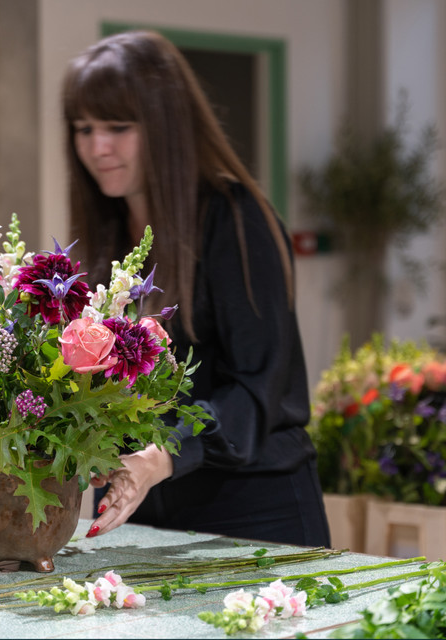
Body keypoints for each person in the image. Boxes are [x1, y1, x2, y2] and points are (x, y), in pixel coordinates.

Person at [61, 30, 330, 547]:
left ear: (165, 126)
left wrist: (161, 455)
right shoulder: (106, 237)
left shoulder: (235, 220)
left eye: (118, 126)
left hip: (252, 510)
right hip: (139, 507)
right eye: (83, 128)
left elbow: (258, 388)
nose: (98, 147)